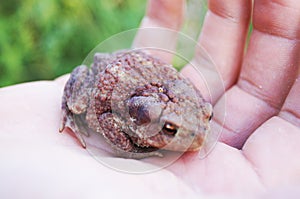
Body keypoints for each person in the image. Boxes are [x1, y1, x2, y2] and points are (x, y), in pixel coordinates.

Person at [0, 0, 299, 198]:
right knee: (80, 104)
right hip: (107, 79)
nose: (200, 135)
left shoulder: (177, 98)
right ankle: (68, 108)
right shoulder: (126, 117)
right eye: (170, 129)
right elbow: (102, 118)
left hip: (141, 73)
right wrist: (132, 150)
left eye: (206, 116)